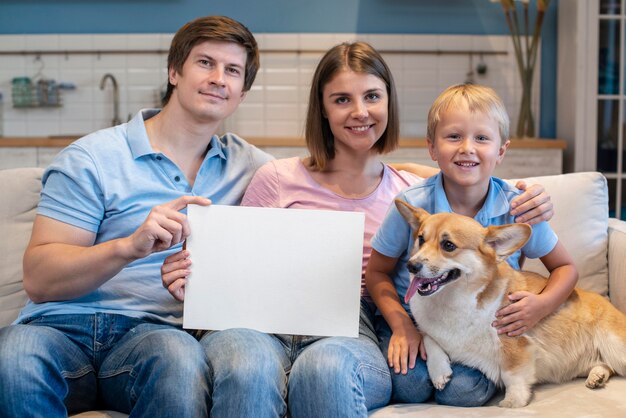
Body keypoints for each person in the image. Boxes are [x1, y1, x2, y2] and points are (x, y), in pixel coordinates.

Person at [161, 44, 554, 416]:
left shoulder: (410, 192)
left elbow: (470, 183)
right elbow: (235, 265)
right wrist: (194, 277)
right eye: (342, 99)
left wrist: (533, 196)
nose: (360, 112)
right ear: (323, 109)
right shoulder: (276, 177)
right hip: (261, 322)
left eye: (372, 97)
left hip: (352, 322)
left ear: (388, 104)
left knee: (327, 368)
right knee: (247, 365)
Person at [0, 16, 274, 417]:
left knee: (179, 357)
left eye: (232, 70)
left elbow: (320, 179)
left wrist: (397, 173)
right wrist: (128, 247)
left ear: (242, 93)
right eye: (205, 63)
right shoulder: (92, 157)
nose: (218, 78)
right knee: (14, 354)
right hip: (57, 328)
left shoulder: (249, 165)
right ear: (174, 72)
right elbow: (40, 281)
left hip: (151, 334)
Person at [365, 83, 578, 407]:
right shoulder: (414, 202)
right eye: (453, 137)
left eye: (481, 138)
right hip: (418, 322)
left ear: (501, 151)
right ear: (432, 148)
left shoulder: (519, 206)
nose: (467, 148)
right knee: (410, 386)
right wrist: (401, 324)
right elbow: (377, 272)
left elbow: (565, 268)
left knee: (462, 392)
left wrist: (542, 305)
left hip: (480, 333)